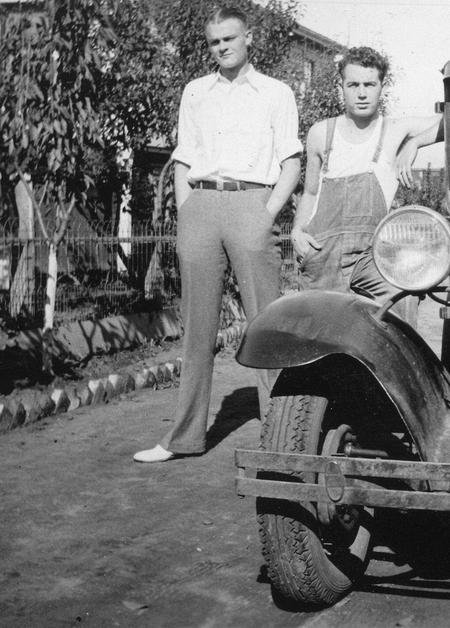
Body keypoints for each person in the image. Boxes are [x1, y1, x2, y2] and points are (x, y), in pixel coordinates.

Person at [134, 7, 302, 463]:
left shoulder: (276, 92)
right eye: (214, 42)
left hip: (252, 203)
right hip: (201, 207)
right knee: (197, 330)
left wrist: (265, 215)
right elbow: (184, 159)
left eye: (230, 38)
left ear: (248, 38)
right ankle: (185, 437)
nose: (223, 47)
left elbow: (291, 162)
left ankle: (282, 441)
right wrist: (187, 209)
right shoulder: (195, 93)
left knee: (267, 325)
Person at [290, 46, 442, 315]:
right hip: (323, 256)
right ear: (342, 86)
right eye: (353, 84)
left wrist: (415, 142)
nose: (361, 93)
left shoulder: (394, 130)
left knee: (402, 302)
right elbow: (310, 193)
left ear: (382, 86)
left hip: (373, 258)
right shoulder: (321, 133)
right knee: (319, 337)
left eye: (370, 84)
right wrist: (297, 231)